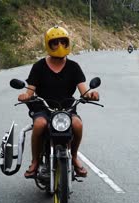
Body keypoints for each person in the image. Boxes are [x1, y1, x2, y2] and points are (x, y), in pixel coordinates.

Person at [17, 25, 99, 179]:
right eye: (55, 42)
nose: (59, 46)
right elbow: (30, 90)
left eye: (63, 42)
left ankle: (74, 157)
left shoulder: (73, 67)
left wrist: (91, 94)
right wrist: (25, 95)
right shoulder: (39, 66)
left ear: (68, 43)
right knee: (40, 124)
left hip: (66, 108)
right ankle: (35, 161)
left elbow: (84, 90)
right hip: (43, 107)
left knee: (78, 124)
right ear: (48, 44)